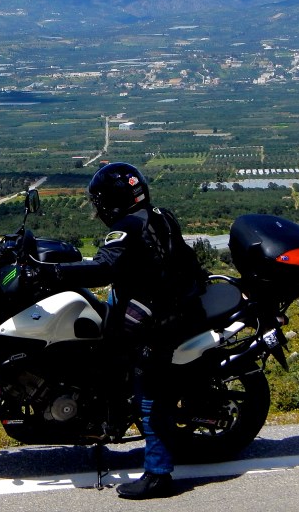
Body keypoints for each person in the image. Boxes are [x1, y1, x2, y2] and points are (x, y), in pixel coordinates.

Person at [38, 161, 205, 499]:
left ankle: (159, 475)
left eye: (99, 204)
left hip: (160, 319)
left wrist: (54, 274)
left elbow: (103, 268)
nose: (97, 211)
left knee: (149, 395)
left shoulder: (127, 227)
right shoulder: (159, 215)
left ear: (111, 202)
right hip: (168, 303)